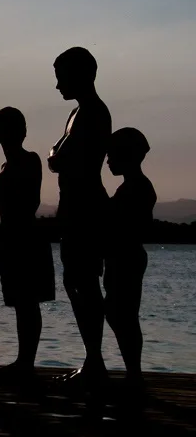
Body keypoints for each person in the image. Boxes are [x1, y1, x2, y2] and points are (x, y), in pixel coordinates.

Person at [48, 47, 112, 387]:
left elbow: (59, 157)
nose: (57, 85)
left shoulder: (93, 113)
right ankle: (92, 359)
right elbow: (58, 154)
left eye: (61, 77)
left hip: (87, 208)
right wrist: (57, 154)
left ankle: (95, 362)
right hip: (72, 207)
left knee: (85, 283)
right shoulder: (76, 112)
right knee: (75, 284)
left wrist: (56, 154)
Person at [0, 107, 55, 378]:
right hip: (11, 237)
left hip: (25, 237)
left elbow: (27, 203)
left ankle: (26, 361)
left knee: (27, 302)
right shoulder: (6, 166)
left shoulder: (29, 160)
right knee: (21, 303)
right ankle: (23, 360)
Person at [104, 128, 156, 390]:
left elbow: (126, 224)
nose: (108, 161)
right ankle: (132, 372)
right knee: (119, 314)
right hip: (123, 256)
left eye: (112, 155)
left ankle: (134, 373)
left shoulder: (137, 188)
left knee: (123, 314)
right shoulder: (132, 186)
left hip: (127, 257)